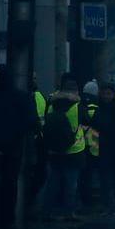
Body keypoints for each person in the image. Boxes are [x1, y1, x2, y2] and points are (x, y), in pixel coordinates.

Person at [0, 65, 37, 229]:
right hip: (12, 147)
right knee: (8, 183)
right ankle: (6, 220)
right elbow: (31, 121)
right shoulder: (19, 97)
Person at [40, 76, 85, 220]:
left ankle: (46, 212)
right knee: (71, 184)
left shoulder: (51, 104)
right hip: (73, 151)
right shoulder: (78, 106)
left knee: (52, 183)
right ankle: (69, 213)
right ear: (76, 91)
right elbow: (88, 121)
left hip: (54, 150)